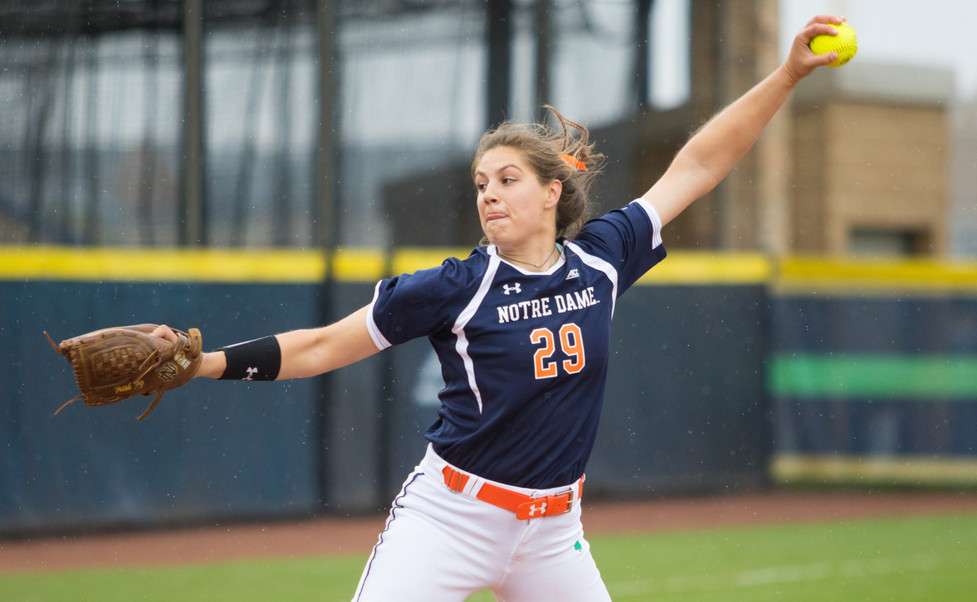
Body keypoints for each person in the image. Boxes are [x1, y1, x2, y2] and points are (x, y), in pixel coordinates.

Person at [156, 15, 844, 601]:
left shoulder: (603, 258)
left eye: (507, 180)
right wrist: (205, 364)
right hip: (451, 518)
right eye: (481, 182)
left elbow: (698, 163)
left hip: (553, 531)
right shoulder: (452, 286)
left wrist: (784, 76)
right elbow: (321, 347)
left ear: (551, 193)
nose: (489, 193)